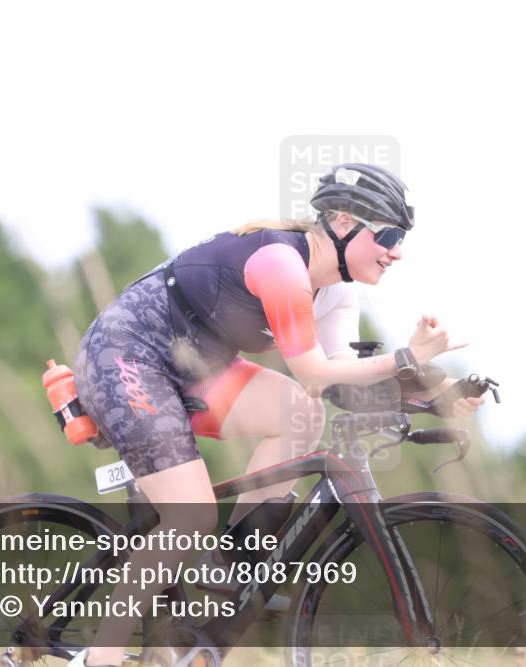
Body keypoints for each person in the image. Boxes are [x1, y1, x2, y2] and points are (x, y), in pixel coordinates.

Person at [68, 164, 484, 666]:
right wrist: (406, 357)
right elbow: (313, 368)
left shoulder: (336, 292)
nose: (397, 251)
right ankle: (101, 658)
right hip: (126, 355)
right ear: (346, 222)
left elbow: (339, 383)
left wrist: (435, 395)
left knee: (301, 412)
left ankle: (228, 564)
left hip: (195, 367)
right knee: (192, 513)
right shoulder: (282, 265)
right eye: (390, 234)